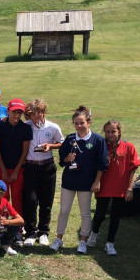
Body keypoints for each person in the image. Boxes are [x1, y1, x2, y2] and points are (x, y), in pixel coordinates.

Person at [50, 106, 108, 254]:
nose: (79, 126)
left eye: (82, 122)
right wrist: (67, 159)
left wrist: (97, 181)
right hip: (69, 181)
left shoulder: (98, 141)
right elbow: (62, 161)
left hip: (86, 183)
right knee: (63, 211)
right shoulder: (70, 139)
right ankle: (58, 238)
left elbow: (102, 164)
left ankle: (83, 241)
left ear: (88, 122)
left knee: (85, 213)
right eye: (76, 123)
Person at [87, 120, 140, 256]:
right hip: (104, 186)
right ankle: (94, 232)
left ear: (119, 131)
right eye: (107, 131)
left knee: (115, 216)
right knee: (99, 214)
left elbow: (132, 170)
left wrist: (130, 189)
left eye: (113, 131)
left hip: (120, 188)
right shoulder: (101, 146)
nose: (110, 134)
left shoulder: (128, 147)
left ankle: (110, 243)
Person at [22, 99, 64, 247]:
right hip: (30, 168)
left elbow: (62, 142)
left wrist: (51, 145)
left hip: (47, 167)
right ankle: (31, 233)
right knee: (31, 201)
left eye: (38, 113)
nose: (35, 117)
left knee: (46, 202)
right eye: (32, 114)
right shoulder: (26, 126)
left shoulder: (53, 127)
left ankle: (43, 232)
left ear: (44, 112)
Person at [0, 98, 32, 214]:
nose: (17, 115)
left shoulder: (26, 128)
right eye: (14, 111)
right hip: (1, 167)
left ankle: (17, 226)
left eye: (19, 112)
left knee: (17, 196)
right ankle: (2, 222)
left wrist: (16, 171)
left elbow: (25, 152)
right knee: (2, 196)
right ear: (8, 111)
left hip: (18, 168)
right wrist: (3, 170)